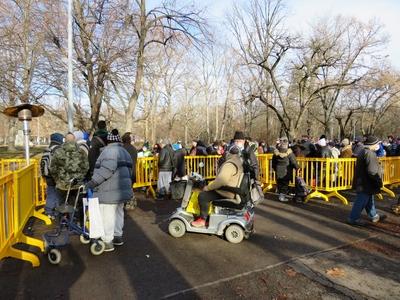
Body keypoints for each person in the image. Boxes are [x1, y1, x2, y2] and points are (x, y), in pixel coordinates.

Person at [85, 129, 133, 252]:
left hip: (108, 190)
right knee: (118, 213)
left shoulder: (109, 152)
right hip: (121, 190)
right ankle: (117, 236)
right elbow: (130, 171)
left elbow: (106, 170)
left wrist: (92, 182)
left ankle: (107, 241)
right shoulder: (125, 152)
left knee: (108, 215)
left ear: (108, 141)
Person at [191, 145, 244, 228]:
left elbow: (221, 181)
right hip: (232, 190)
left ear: (228, 153)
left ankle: (203, 219)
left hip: (227, 192)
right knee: (209, 190)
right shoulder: (238, 162)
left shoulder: (229, 164)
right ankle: (207, 216)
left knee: (203, 196)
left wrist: (208, 187)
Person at [348, 135, 386, 226]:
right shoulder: (370, 153)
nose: (378, 145)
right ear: (373, 144)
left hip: (363, 181)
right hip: (365, 182)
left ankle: (374, 216)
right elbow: (372, 171)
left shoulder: (364, 151)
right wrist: (378, 181)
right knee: (361, 200)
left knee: (369, 199)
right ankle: (353, 218)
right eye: (377, 143)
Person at [41, 132, 64, 218]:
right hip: (55, 175)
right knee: (58, 194)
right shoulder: (57, 149)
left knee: (50, 193)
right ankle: (57, 212)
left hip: (47, 175)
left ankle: (48, 211)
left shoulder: (48, 148)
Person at [272, 137, 299, 202]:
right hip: (286, 170)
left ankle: (280, 194)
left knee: (280, 182)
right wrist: (297, 167)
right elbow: (293, 162)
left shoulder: (276, 152)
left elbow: (273, 162)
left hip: (278, 169)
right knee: (285, 183)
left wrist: (274, 168)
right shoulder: (289, 153)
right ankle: (282, 196)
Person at [122, 132, 138, 210]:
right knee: (130, 188)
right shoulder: (134, 149)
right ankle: (131, 203)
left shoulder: (122, 149)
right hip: (133, 172)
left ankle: (127, 204)